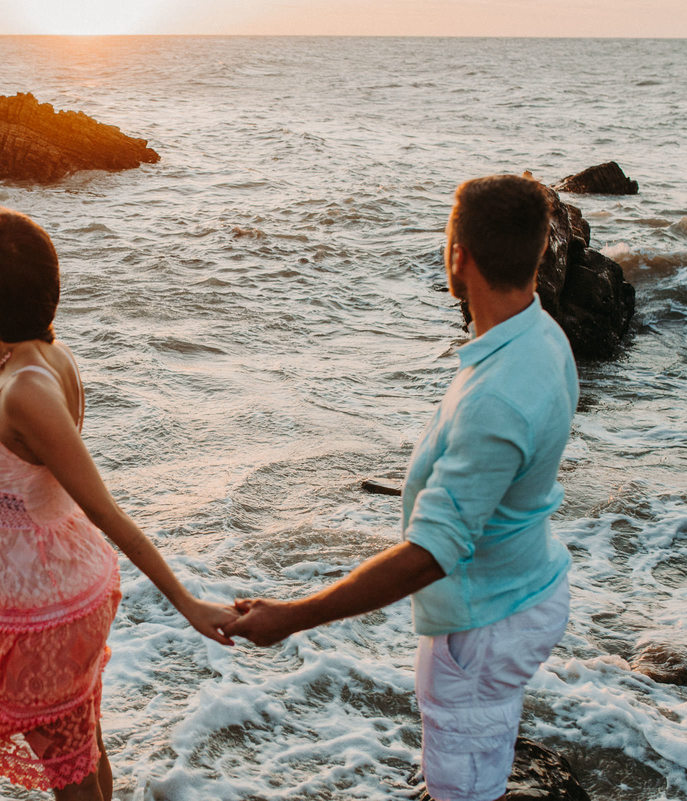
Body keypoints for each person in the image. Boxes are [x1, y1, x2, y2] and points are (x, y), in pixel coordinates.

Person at [226, 174, 578, 801]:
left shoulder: (496, 398)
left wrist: (294, 616)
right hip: (525, 585)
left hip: (484, 623)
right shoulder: (541, 335)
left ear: (458, 257)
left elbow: (431, 555)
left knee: (462, 790)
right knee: (479, 765)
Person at [0, 210, 237, 801]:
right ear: (51, 289)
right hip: (58, 589)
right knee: (83, 753)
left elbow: (106, 510)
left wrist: (186, 602)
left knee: (73, 779)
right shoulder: (46, 359)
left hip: (49, 609)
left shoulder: (28, 387)